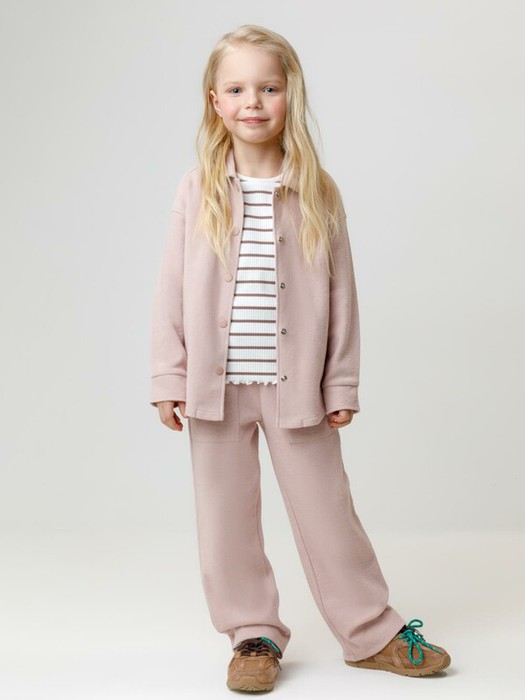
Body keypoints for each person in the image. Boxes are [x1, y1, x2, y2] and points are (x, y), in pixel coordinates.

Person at [150, 24, 451, 693]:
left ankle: (369, 631)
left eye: (268, 88)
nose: (252, 102)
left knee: (327, 513)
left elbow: (343, 294)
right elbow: (170, 287)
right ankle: (251, 635)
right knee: (225, 521)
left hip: (299, 389)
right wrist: (169, 375)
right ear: (214, 102)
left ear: (291, 95)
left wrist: (340, 382)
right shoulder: (196, 189)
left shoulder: (318, 190)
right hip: (215, 390)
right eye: (236, 89)